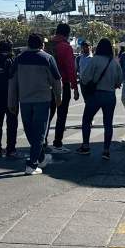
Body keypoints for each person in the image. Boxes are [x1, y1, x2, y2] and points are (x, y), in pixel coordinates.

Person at [8, 33, 62, 175]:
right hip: (42, 100)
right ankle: (32, 164)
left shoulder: (19, 59)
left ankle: (41, 158)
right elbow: (56, 80)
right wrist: (58, 97)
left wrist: (11, 102)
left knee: (30, 131)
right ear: (42, 44)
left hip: (24, 101)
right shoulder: (47, 58)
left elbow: (12, 81)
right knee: (39, 133)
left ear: (28, 44)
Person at [77, 38, 123, 159]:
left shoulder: (95, 60)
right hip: (110, 95)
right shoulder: (114, 62)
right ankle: (106, 151)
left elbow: (84, 78)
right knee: (108, 123)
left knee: (87, 120)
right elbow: (119, 81)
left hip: (95, 95)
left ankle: (86, 146)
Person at [48, 23, 79, 153]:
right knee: (61, 114)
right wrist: (75, 87)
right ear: (67, 34)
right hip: (62, 84)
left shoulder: (47, 45)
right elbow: (70, 69)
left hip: (46, 85)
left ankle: (42, 141)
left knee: (47, 115)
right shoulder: (66, 47)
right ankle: (57, 143)